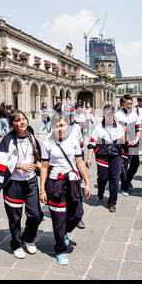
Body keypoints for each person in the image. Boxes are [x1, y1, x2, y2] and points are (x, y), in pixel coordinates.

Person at [0, 110, 43, 259]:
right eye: (17, 120)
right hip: (13, 185)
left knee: (35, 215)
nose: (22, 122)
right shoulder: (8, 140)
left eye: (23, 119)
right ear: (12, 124)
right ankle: (16, 243)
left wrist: (38, 163)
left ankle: (28, 238)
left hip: (30, 183)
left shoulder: (32, 137)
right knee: (15, 218)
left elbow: (37, 155)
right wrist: (18, 166)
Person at [39, 113, 91, 266]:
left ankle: (64, 233)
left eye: (62, 125)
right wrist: (42, 190)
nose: (59, 129)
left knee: (77, 214)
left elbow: (80, 163)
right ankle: (60, 249)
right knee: (58, 218)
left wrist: (87, 183)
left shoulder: (74, 140)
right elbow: (44, 167)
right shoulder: (47, 143)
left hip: (73, 181)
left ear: (67, 125)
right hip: (55, 184)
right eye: (56, 126)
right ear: (52, 127)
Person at [86, 104, 126, 212]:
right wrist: (89, 158)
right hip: (102, 155)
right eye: (107, 113)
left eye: (111, 113)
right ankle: (101, 190)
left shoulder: (119, 127)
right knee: (103, 178)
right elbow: (92, 143)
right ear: (104, 114)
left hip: (115, 155)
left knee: (115, 179)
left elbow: (123, 142)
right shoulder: (98, 127)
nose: (109, 115)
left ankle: (112, 202)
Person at [115, 94, 141, 196]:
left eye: (131, 104)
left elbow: (138, 130)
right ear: (122, 104)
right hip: (122, 144)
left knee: (135, 164)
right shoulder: (117, 115)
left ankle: (128, 180)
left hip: (133, 143)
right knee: (123, 165)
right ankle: (124, 187)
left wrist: (136, 140)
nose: (129, 106)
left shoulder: (134, 115)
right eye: (127, 104)